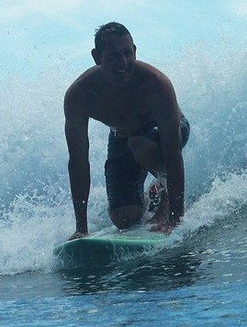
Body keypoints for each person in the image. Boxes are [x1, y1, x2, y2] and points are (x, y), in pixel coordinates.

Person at [63, 22, 190, 239]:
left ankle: (166, 194)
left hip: (167, 132)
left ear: (135, 52)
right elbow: (78, 162)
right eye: (113, 55)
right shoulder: (80, 95)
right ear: (96, 57)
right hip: (121, 137)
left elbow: (173, 153)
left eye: (127, 53)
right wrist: (81, 228)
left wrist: (175, 218)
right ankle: (154, 194)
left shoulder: (156, 84)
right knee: (124, 218)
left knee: (139, 145)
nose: (122, 63)